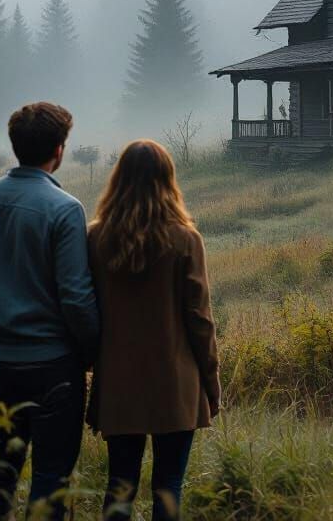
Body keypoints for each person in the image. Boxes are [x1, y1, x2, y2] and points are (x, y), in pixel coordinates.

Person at [0, 102, 99, 521]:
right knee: (51, 479)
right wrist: (92, 353)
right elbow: (75, 297)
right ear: (59, 149)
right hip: (55, 367)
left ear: (15, 145)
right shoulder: (65, 209)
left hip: (1, 363)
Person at [88, 139, 220, 520]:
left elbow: (84, 309)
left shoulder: (95, 238)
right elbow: (200, 319)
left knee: (119, 485)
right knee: (168, 487)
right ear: (168, 180)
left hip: (118, 383)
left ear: (118, 180)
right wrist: (212, 383)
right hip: (175, 384)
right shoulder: (185, 239)